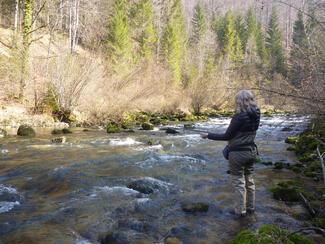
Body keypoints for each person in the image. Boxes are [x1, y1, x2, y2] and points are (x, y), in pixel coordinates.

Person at [201, 90, 260, 216]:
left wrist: (208, 135)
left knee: (239, 183)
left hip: (238, 154)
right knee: (249, 179)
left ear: (239, 101)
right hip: (252, 151)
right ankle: (251, 208)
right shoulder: (257, 113)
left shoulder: (239, 117)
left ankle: (240, 211)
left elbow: (226, 136)